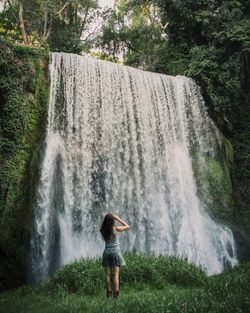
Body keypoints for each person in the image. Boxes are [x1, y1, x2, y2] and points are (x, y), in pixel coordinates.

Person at [100, 213, 129, 299]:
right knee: (115, 275)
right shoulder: (116, 229)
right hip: (115, 252)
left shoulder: (102, 230)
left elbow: (105, 227)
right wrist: (118, 219)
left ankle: (108, 296)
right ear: (112, 221)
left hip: (107, 252)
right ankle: (116, 297)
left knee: (108, 275)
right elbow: (127, 226)